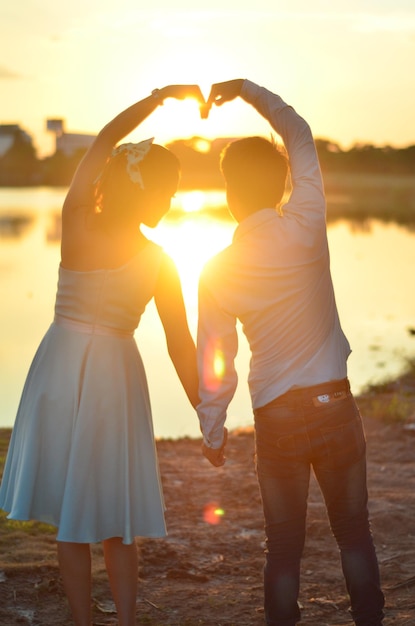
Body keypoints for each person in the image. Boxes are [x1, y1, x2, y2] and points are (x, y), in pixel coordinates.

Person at [0, 84, 203, 626]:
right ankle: (117, 620)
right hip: (109, 371)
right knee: (110, 508)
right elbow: (180, 343)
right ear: (140, 190)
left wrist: (157, 100)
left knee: (86, 510)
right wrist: (206, 411)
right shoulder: (156, 259)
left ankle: (98, 620)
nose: (170, 203)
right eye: (165, 193)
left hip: (64, 362)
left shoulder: (77, 224)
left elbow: (109, 139)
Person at [196, 79, 385, 626]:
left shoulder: (216, 272)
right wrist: (248, 93)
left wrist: (213, 429)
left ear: (230, 194)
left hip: (275, 415)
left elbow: (217, 359)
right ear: (282, 183)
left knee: (282, 548)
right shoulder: (307, 220)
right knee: (354, 533)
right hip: (334, 402)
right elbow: (297, 131)